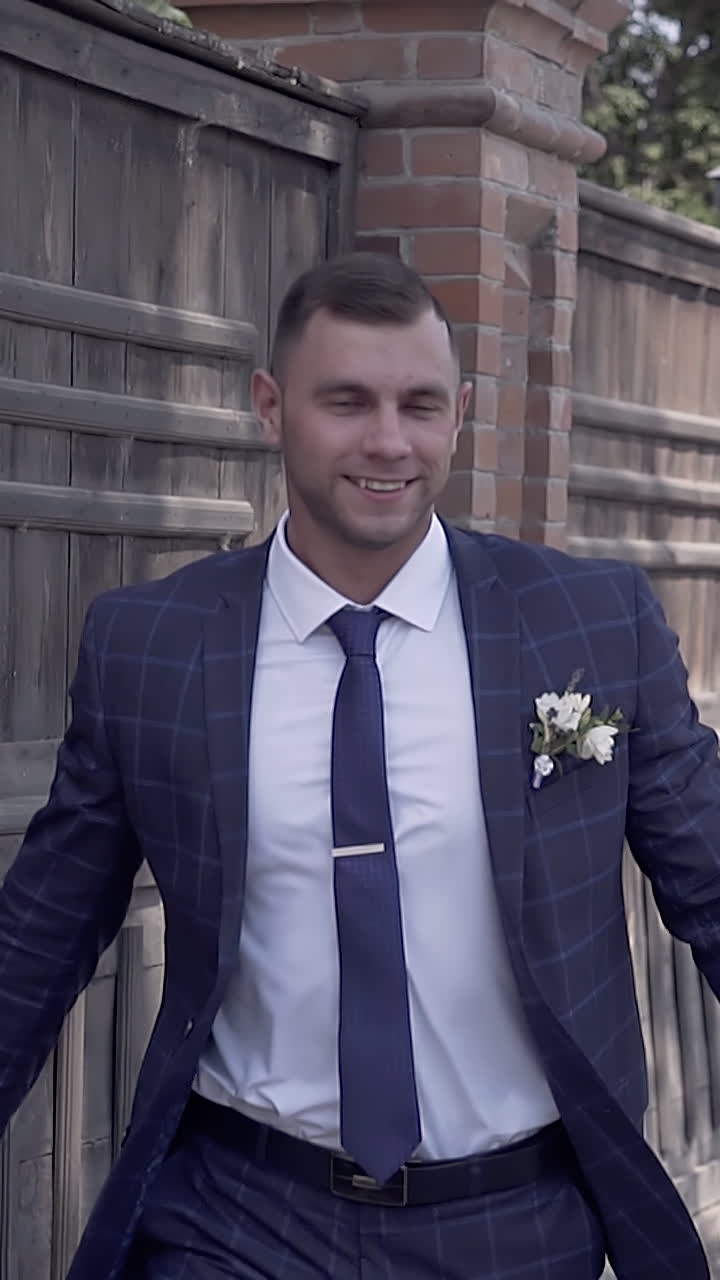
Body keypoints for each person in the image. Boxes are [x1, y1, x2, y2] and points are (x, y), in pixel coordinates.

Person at [0, 252, 717, 1280]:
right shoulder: (150, 645)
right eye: (347, 402)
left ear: (460, 412)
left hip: (515, 1221)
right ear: (271, 405)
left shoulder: (588, 621)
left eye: (420, 404)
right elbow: (41, 933)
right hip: (237, 1217)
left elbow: (710, 874)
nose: (389, 440)